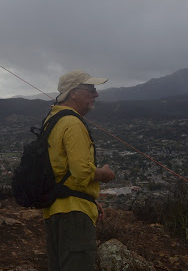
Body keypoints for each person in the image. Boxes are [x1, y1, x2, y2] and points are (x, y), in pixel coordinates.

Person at [43, 70, 116, 271]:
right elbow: (82, 172)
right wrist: (104, 174)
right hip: (73, 215)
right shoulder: (73, 123)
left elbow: (60, 169)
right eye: (90, 89)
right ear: (73, 93)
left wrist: (89, 200)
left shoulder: (53, 119)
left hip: (55, 209)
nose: (96, 94)